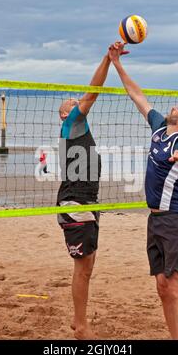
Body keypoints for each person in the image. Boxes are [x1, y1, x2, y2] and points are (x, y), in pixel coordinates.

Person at [108, 42, 178, 340]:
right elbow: (137, 95)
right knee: (161, 286)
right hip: (155, 219)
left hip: (176, 219)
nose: (174, 105)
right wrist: (116, 62)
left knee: (175, 286)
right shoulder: (158, 127)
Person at [56, 48, 127, 340]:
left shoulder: (79, 131)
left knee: (89, 264)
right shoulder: (71, 123)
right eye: (74, 105)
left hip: (88, 202)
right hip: (76, 203)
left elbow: (88, 97)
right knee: (83, 267)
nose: (80, 107)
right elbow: (92, 93)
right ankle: (82, 327)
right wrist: (107, 60)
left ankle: (78, 320)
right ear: (65, 113)